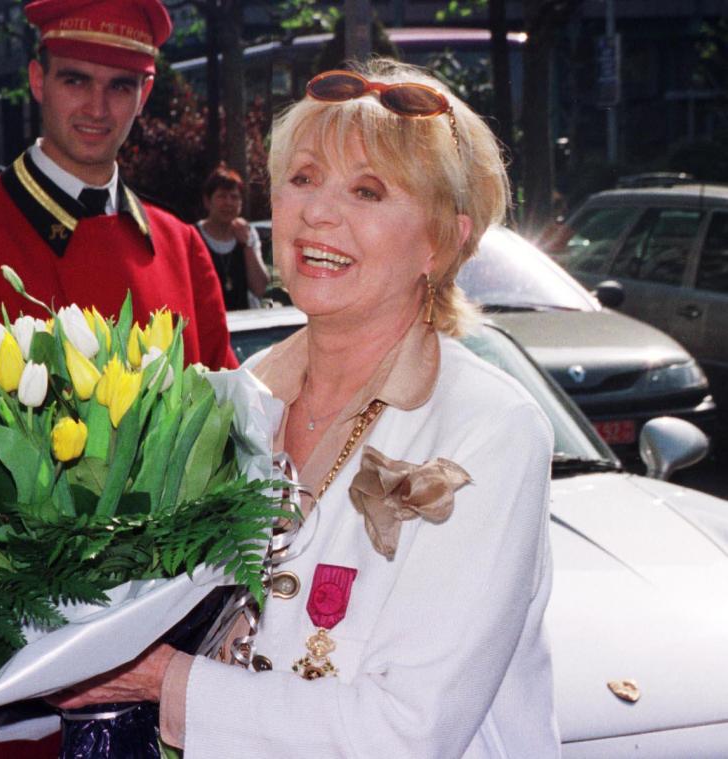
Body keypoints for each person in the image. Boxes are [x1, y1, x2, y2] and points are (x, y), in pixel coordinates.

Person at [49, 58, 561, 757]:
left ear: (442, 241)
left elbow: (408, 732)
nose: (318, 212)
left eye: (368, 190)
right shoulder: (241, 394)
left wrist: (163, 681)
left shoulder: (489, 428)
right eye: (302, 178)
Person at [0, 0, 237, 371]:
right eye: (76, 80)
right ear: (38, 80)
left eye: (120, 86)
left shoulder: (181, 247)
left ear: (144, 96)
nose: (97, 108)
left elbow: (225, 406)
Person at [196, 164, 270, 310]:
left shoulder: (249, 234)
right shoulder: (194, 236)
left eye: (234, 197)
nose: (228, 203)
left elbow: (260, 288)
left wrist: (247, 244)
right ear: (207, 201)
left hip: (243, 324)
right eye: (222, 196)